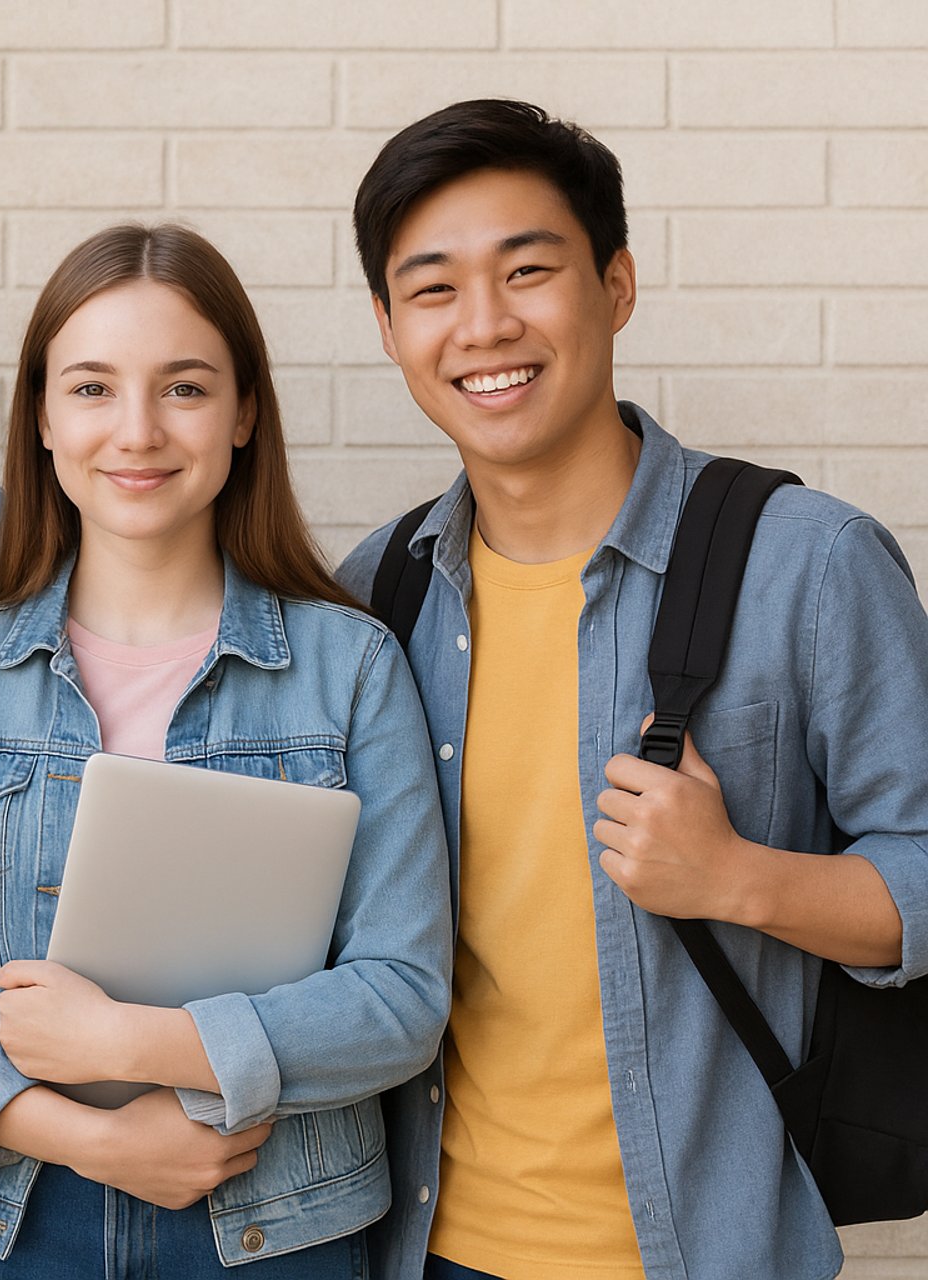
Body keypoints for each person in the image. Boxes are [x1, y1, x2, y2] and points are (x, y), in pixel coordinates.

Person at [338, 98, 928, 1280]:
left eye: (529, 270)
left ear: (616, 285)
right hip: (425, 1247)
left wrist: (739, 878)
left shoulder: (807, 563)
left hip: (704, 1252)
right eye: (435, 288)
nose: (485, 325)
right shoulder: (379, 592)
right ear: (390, 327)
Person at [0, 222, 453, 1277]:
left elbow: (400, 998)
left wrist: (133, 1044)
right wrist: (95, 1137)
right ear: (39, 415)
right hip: (7, 1223)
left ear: (245, 410)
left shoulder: (352, 667)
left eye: (184, 387)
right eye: (91, 388)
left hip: (277, 1223)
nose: (137, 430)